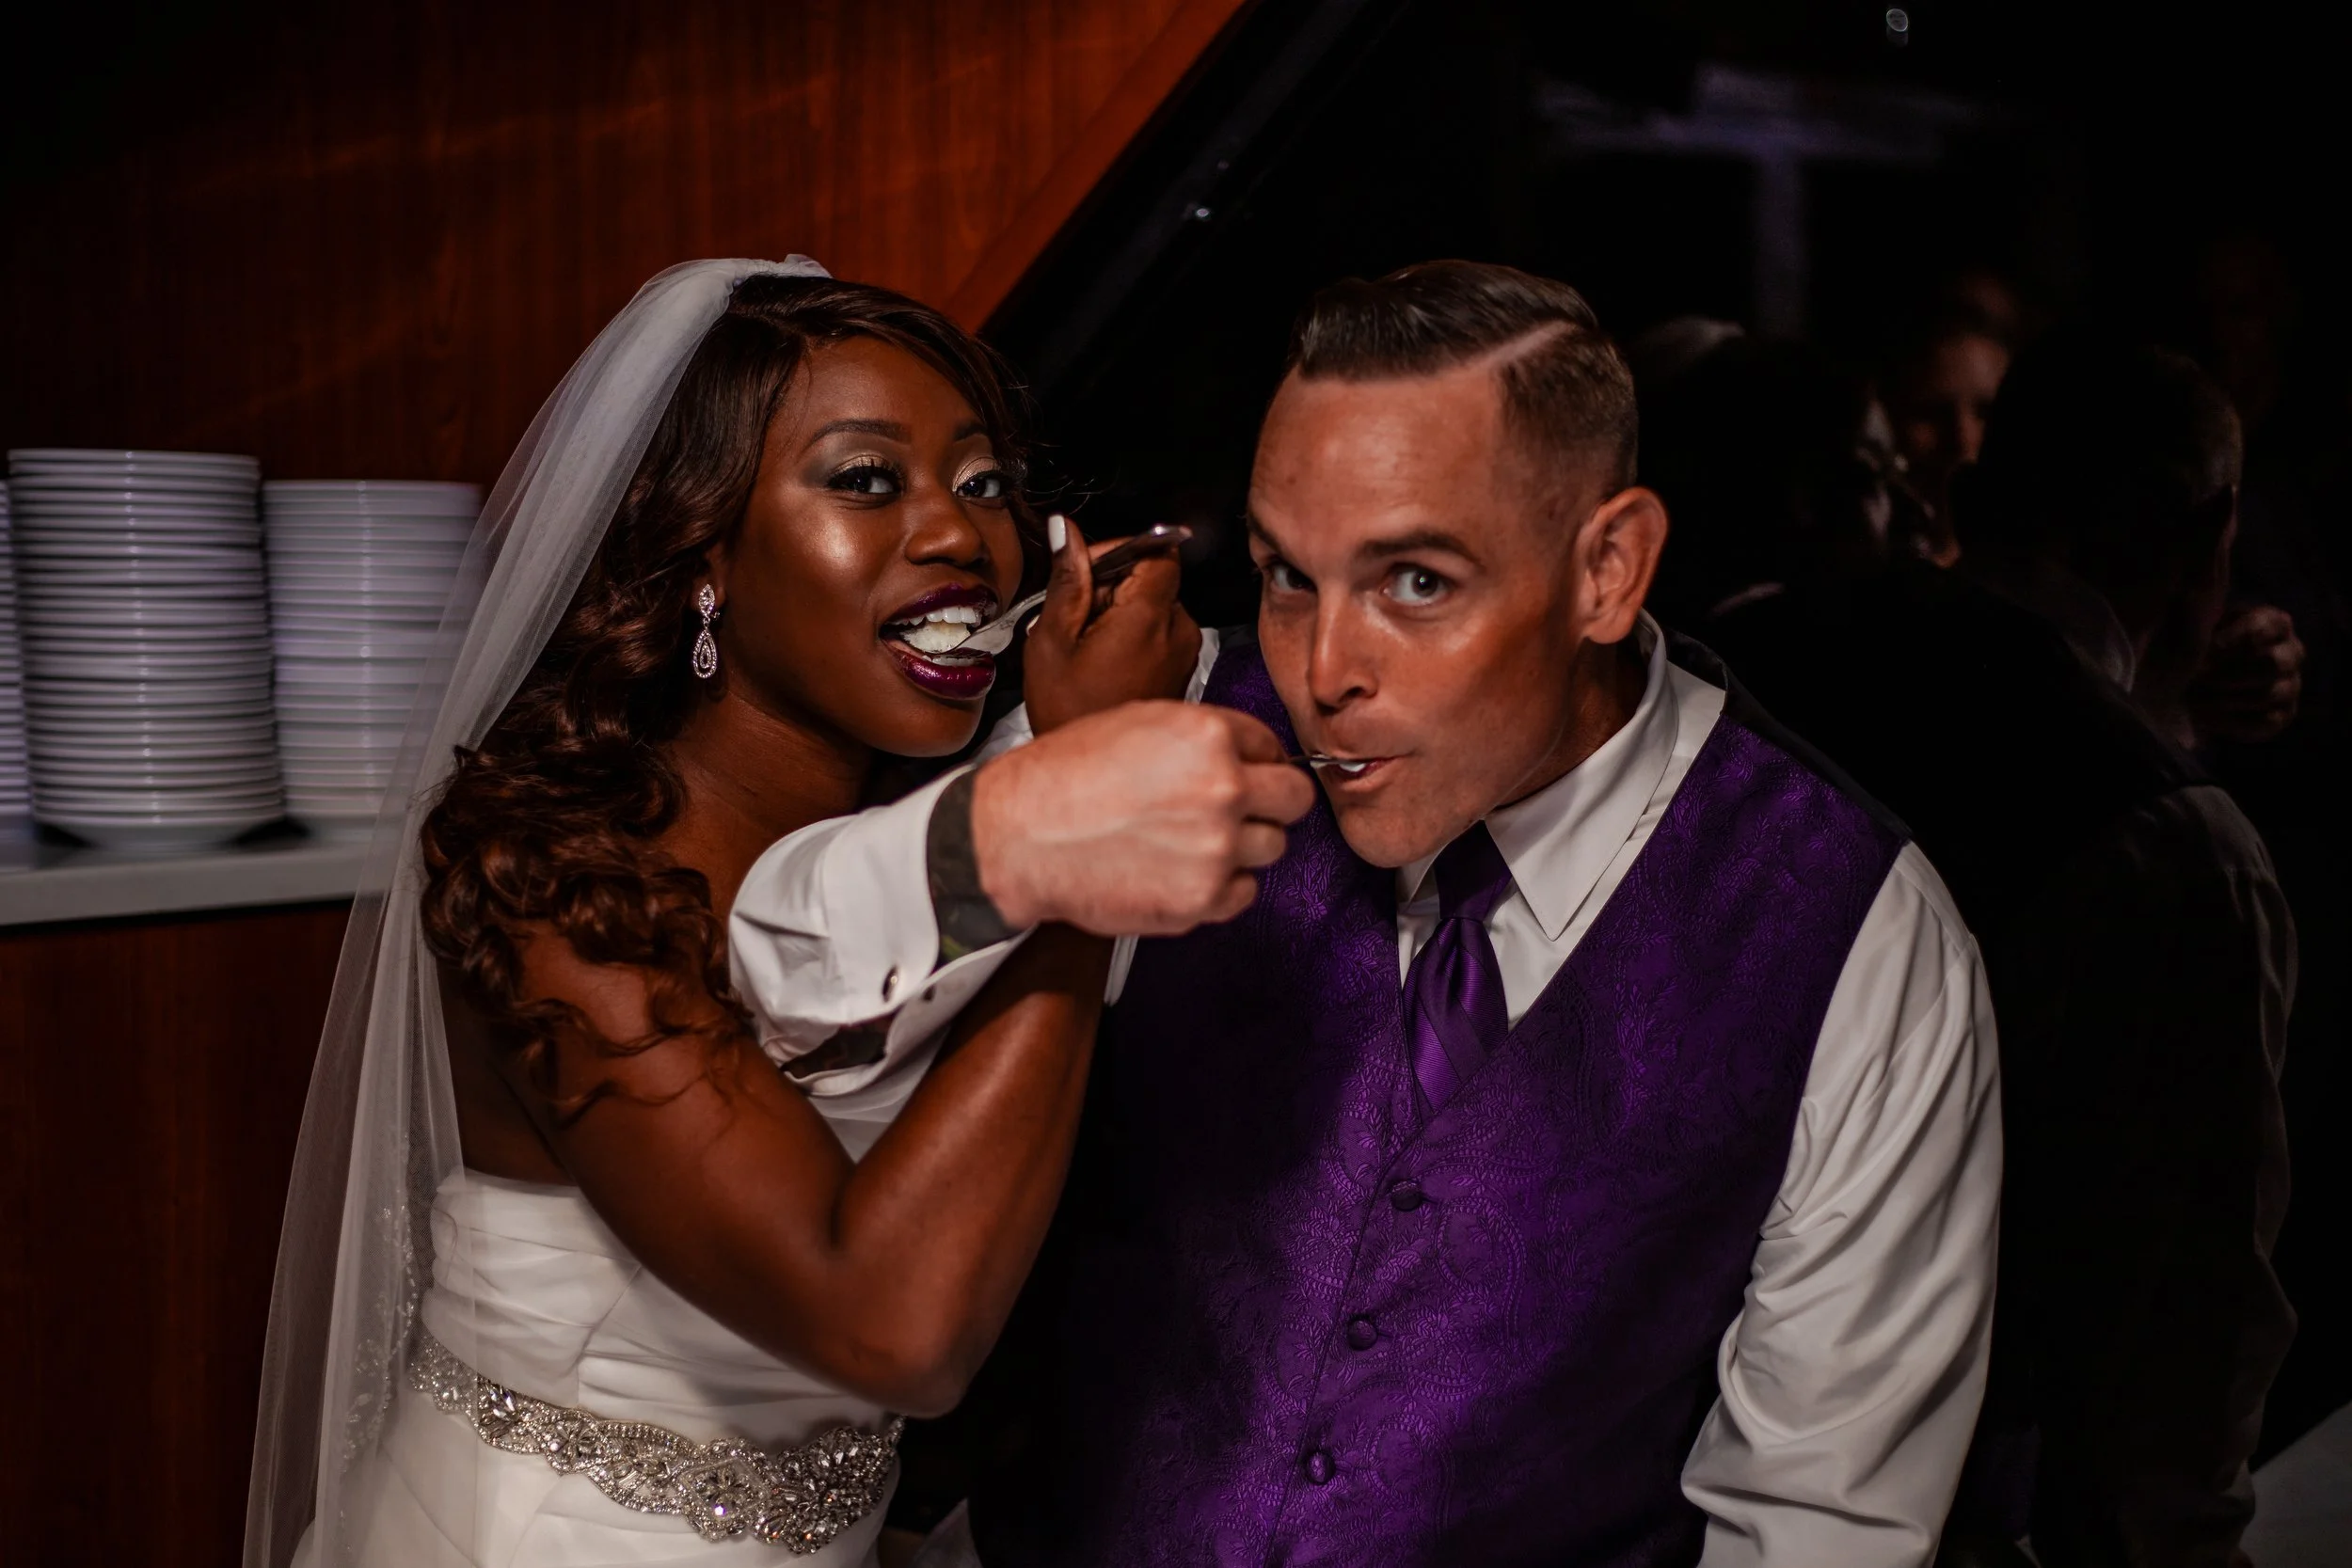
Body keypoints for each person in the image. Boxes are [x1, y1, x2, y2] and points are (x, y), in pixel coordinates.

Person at [753, 261, 2004, 1566]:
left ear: (1607, 568)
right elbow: (777, 1002)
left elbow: (1815, 1527)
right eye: (1288, 574)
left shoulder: (1857, 936)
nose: (1322, 671)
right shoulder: (1157, 731)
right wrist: (1028, 814)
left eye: (1415, 583)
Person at [240, 260, 1314, 1568]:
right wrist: (1094, 866)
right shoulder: (551, 877)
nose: (958, 535)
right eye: (866, 480)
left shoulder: (914, 849)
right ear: (703, 554)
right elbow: (894, 1327)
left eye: (984, 484)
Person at [1713, 332, 2298, 1566]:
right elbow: (2166, 1395)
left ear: (1972, 502)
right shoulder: (2172, 853)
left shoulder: (1743, 662)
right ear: (2210, 532)